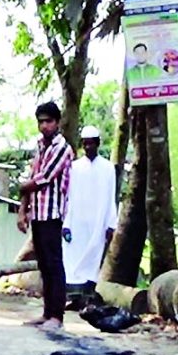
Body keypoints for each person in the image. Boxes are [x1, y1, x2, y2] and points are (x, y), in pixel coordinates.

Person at [17, 102, 75, 332]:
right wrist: (23, 209)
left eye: (48, 121)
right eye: (40, 121)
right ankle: (46, 312)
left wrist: (23, 187)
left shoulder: (63, 148)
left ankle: (57, 316)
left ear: (57, 122)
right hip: (38, 213)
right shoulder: (40, 146)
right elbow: (31, 175)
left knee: (54, 264)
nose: (44, 126)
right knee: (43, 264)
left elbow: (43, 178)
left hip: (53, 213)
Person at [62, 126, 117, 307]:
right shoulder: (75, 168)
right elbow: (69, 196)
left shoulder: (108, 168)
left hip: (98, 223)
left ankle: (87, 297)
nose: (88, 147)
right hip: (77, 222)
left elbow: (111, 198)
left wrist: (111, 224)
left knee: (93, 258)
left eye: (91, 143)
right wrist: (66, 223)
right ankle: (73, 298)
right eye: (85, 144)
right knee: (73, 258)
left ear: (98, 144)